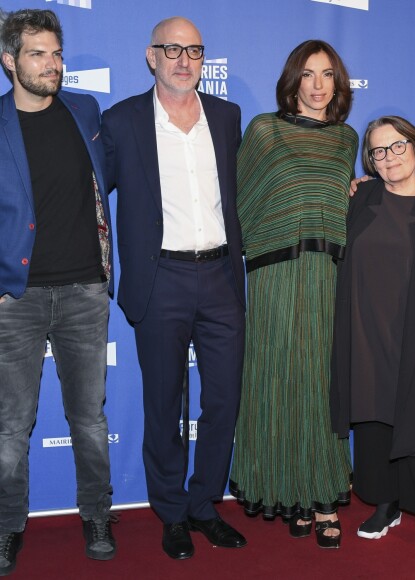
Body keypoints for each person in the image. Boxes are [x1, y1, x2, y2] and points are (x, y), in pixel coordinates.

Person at [100, 17, 246, 560]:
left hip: (221, 279)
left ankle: (204, 505)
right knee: (164, 404)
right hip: (160, 280)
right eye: (172, 49)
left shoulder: (228, 118)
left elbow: (254, 185)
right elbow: (87, 187)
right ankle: (171, 512)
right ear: (151, 56)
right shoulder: (122, 122)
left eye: (194, 50)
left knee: (224, 400)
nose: (184, 59)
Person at [0, 8, 116, 576]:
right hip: (15, 299)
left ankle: (97, 515)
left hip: (84, 293)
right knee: (10, 427)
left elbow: (121, 170)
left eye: (56, 53)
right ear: (9, 61)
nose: (52, 64)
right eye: (37, 54)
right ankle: (6, 527)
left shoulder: (85, 110)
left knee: (89, 420)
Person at [229, 40, 358, 549]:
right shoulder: (264, 131)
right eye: (308, 74)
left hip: (329, 275)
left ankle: (324, 495)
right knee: (281, 379)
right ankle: (290, 491)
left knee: (322, 383)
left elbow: (342, 197)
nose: (319, 85)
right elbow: (243, 204)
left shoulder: (347, 139)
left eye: (328, 74)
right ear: (293, 82)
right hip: (276, 275)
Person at [330, 116, 415, 561]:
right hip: (366, 336)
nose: (389, 157)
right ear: (369, 160)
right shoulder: (362, 196)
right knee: (373, 422)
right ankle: (385, 504)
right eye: (378, 151)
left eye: (397, 146)